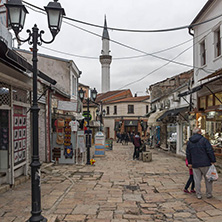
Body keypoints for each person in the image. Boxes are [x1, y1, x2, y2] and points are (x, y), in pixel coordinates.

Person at [186, 128, 216, 199]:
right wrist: (213, 160)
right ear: (199, 132)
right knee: (208, 179)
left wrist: (190, 163)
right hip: (205, 163)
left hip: (195, 163)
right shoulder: (204, 140)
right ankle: (208, 194)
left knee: (197, 180)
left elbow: (188, 153)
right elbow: (209, 150)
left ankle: (198, 194)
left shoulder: (190, 142)